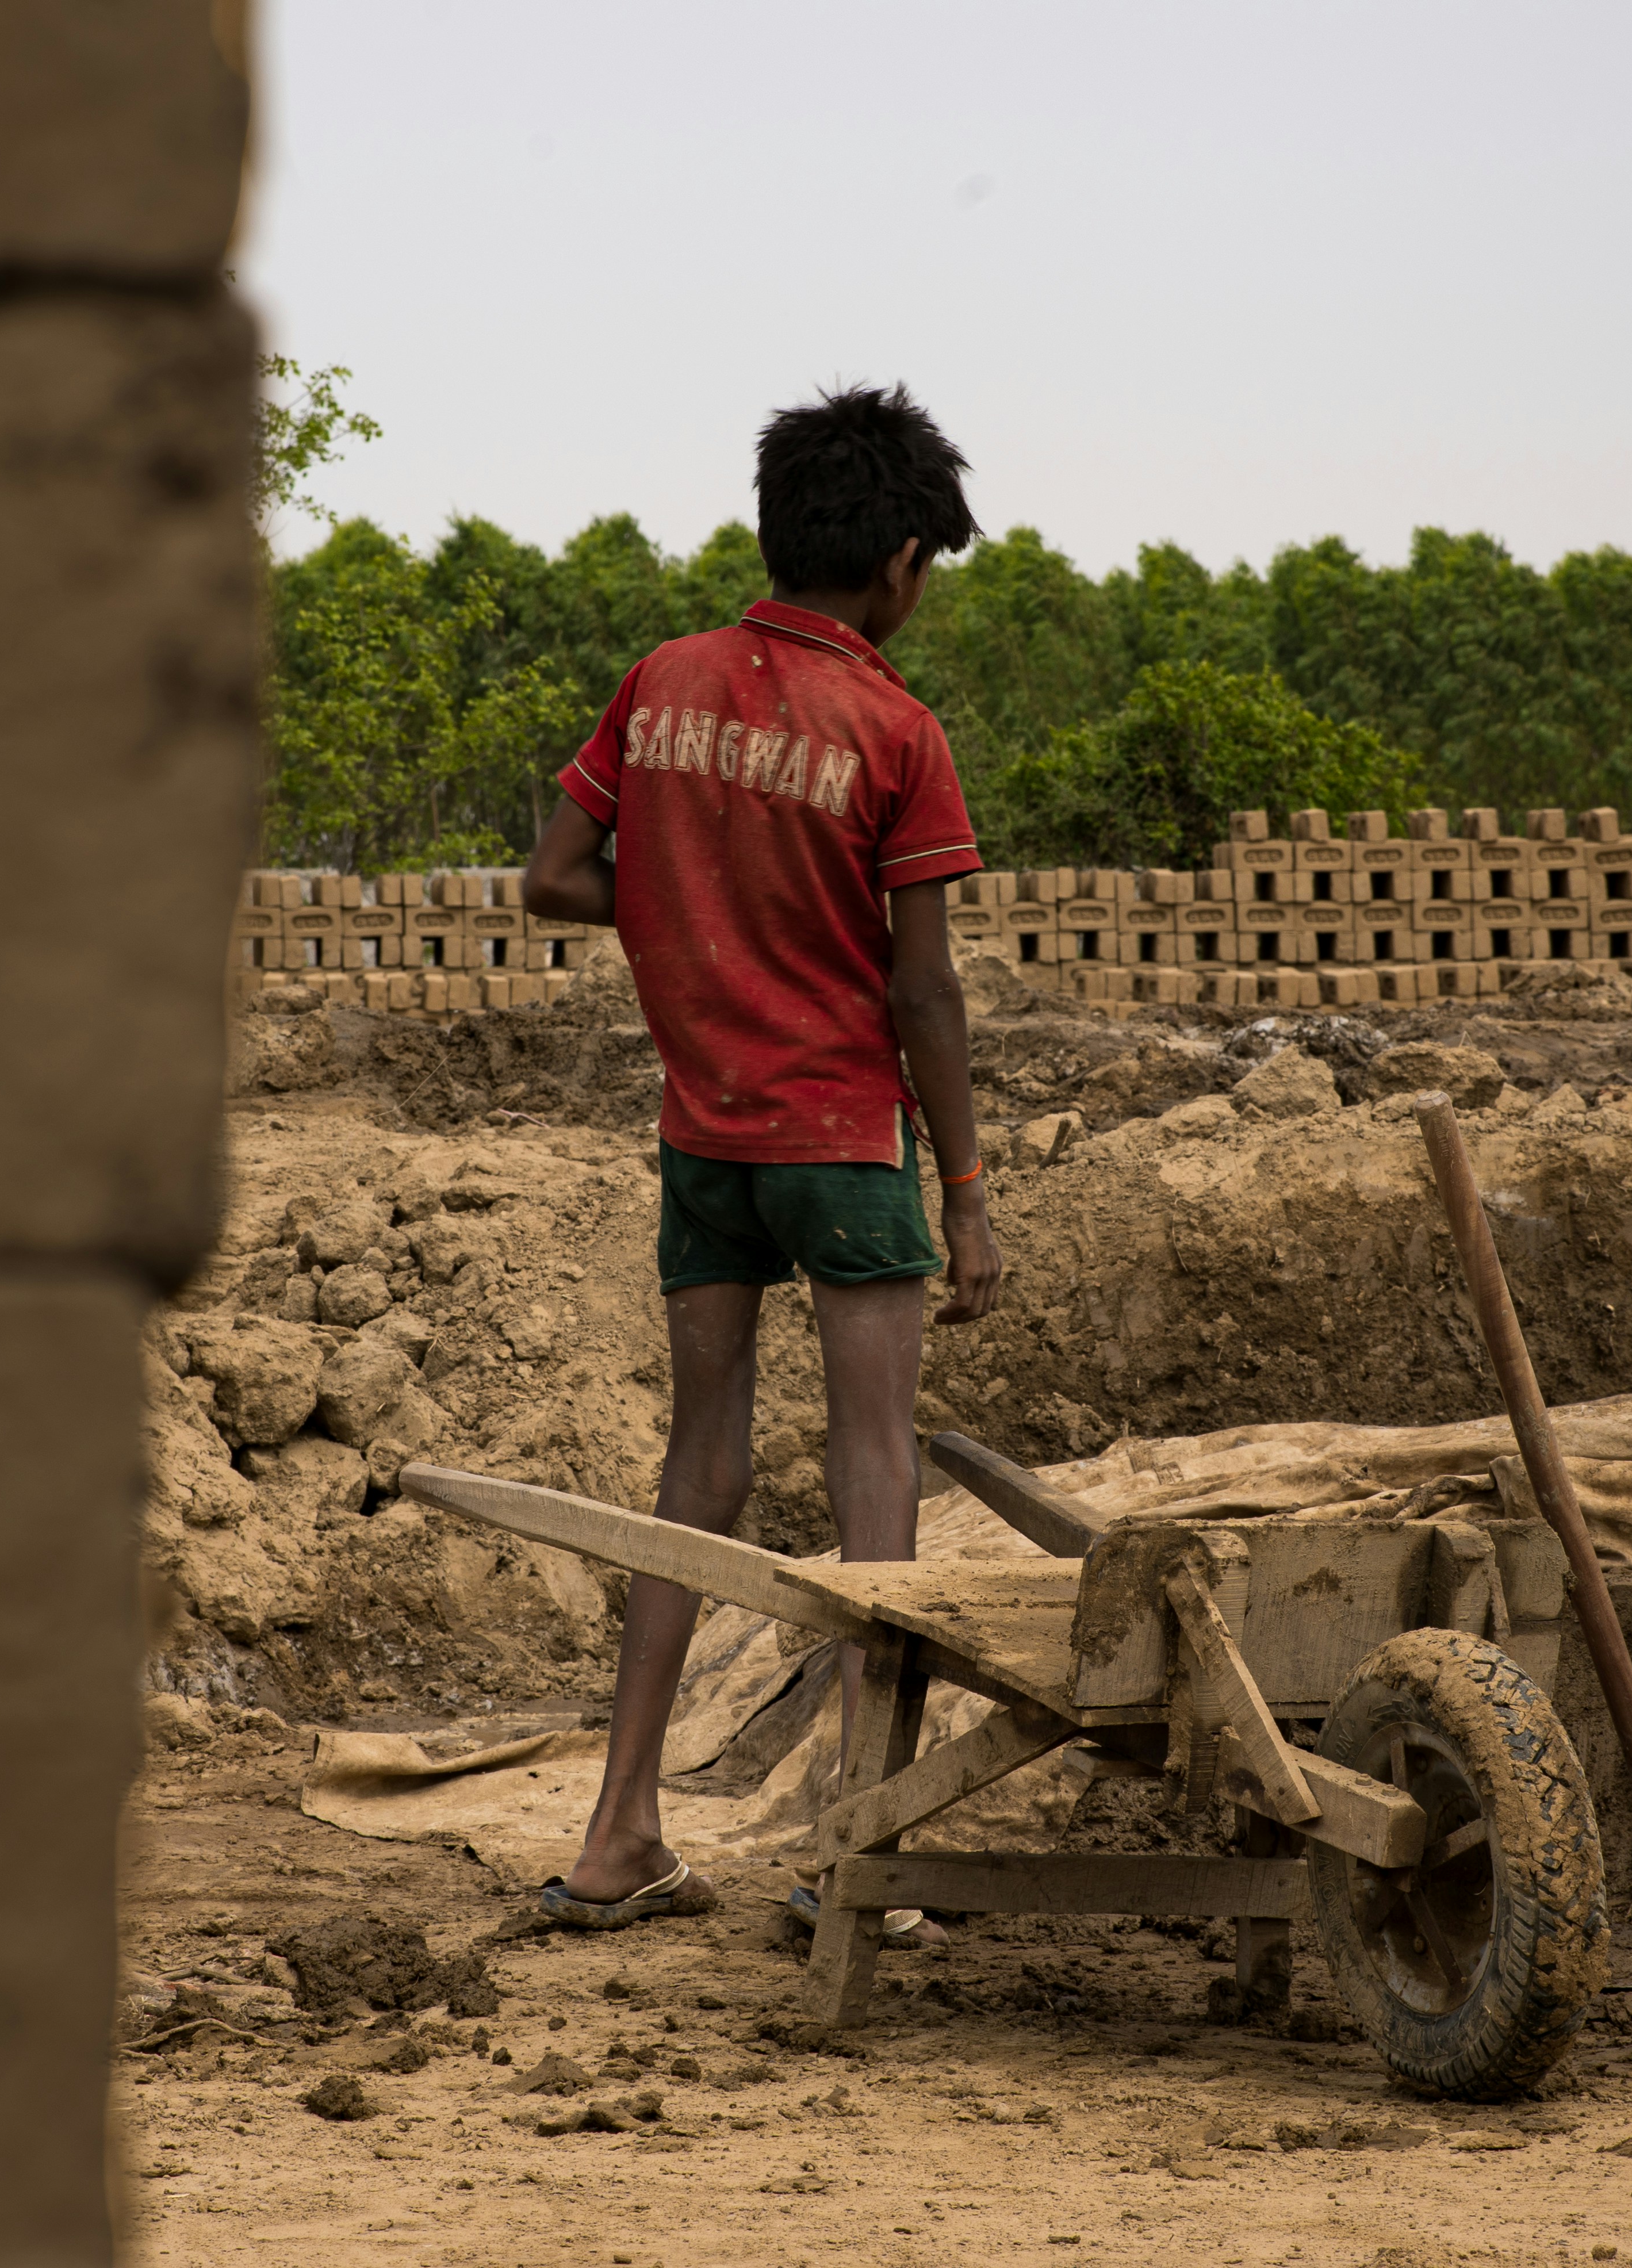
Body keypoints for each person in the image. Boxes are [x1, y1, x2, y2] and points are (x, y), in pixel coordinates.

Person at [519, 383, 1008, 1929]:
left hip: (703, 1143)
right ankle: (858, 1855)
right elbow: (923, 987)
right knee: (877, 1479)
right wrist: (972, 1190)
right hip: (847, 1146)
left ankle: (617, 1838)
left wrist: (671, 914)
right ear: (903, 563)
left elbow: (554, 879)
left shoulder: (660, 683)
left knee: (698, 1474)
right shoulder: (895, 732)